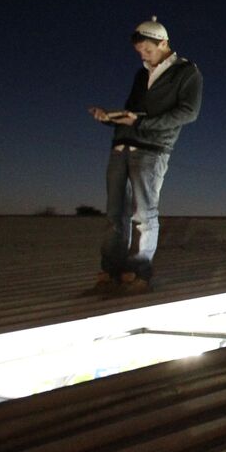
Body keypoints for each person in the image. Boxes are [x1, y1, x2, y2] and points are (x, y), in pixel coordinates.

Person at [87, 16, 203, 293]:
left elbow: (188, 112)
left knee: (144, 215)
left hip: (152, 150)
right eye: (139, 52)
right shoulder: (141, 74)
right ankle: (111, 268)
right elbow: (134, 111)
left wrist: (140, 123)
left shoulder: (187, 72)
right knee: (115, 214)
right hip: (122, 146)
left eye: (148, 50)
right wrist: (110, 118)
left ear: (163, 43)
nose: (144, 56)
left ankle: (139, 270)